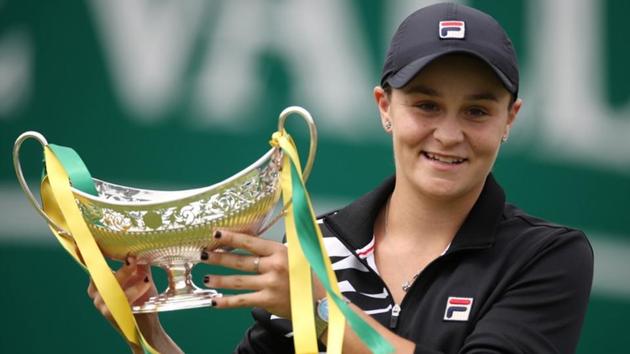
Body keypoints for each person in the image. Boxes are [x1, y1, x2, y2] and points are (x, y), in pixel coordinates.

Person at [88, 3, 594, 353]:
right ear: (385, 108)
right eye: (426, 105)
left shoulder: (547, 257)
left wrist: (322, 308)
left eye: (477, 112)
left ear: (511, 118)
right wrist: (146, 333)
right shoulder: (319, 245)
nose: (448, 133)